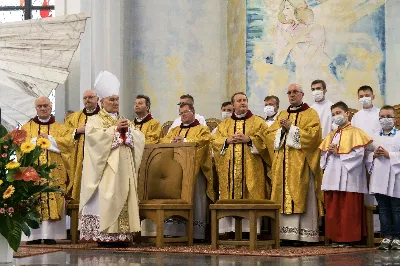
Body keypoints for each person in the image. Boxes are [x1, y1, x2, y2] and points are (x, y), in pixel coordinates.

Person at [79, 71, 145, 247]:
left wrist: (129, 132)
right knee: (107, 197)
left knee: (123, 196)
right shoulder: (94, 120)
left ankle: (122, 235)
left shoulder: (124, 120)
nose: (116, 103)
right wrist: (114, 130)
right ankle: (105, 235)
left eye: (117, 100)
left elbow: (139, 138)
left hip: (124, 170)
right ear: (102, 102)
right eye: (111, 100)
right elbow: (93, 140)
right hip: (105, 171)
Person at [267, 83, 323, 245]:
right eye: (289, 93)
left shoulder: (311, 113)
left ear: (302, 94)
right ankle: (285, 235)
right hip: (282, 163)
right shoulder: (282, 114)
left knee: (302, 194)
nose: (292, 95)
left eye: (295, 92)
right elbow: (270, 135)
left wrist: (292, 128)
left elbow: (314, 137)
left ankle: (304, 236)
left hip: (302, 162)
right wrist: (282, 130)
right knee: (283, 197)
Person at [212, 92, 268, 233]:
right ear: (233, 105)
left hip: (251, 168)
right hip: (229, 170)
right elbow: (214, 141)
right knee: (229, 196)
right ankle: (230, 230)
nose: (243, 103)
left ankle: (249, 231)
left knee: (250, 194)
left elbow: (267, 141)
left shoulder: (258, 122)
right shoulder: (224, 125)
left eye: (244, 100)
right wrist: (227, 140)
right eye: (239, 101)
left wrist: (249, 140)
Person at [21, 96, 73, 245]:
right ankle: (34, 236)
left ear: (51, 107)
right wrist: (35, 140)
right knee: (33, 199)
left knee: (52, 196)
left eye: (45, 106)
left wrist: (49, 138)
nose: (43, 108)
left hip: (54, 173)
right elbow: (20, 146)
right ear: (36, 108)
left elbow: (69, 145)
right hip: (33, 173)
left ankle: (50, 234)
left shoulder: (61, 128)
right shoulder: (26, 128)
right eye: (40, 106)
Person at [319, 101, 371, 247]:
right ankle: (335, 237)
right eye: (334, 114)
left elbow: (359, 154)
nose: (336, 116)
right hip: (333, 176)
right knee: (334, 208)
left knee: (349, 209)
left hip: (350, 177)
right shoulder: (331, 135)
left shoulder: (356, 132)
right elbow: (322, 158)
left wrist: (339, 153)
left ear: (347, 113)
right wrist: (328, 153)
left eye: (339, 113)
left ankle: (349, 238)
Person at [160, 102, 214, 240]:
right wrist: (173, 142)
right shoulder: (174, 130)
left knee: (196, 198)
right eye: (181, 113)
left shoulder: (202, 129)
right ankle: (174, 231)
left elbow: (205, 141)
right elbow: (163, 142)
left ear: (193, 112)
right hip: (175, 172)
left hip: (195, 171)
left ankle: (196, 233)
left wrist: (184, 140)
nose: (183, 115)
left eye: (186, 112)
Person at [366, 105, 400, 250]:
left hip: (395, 178)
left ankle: (398, 237)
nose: (385, 119)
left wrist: (389, 155)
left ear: (395, 119)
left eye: (388, 116)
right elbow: (366, 155)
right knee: (383, 208)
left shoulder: (399, 135)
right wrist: (372, 155)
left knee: (396, 208)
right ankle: (387, 236)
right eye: (382, 117)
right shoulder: (373, 137)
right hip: (379, 177)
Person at [64, 90, 100, 202]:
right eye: (85, 98)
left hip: (98, 159)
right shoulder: (74, 117)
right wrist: (77, 130)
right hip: (78, 159)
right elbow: (64, 135)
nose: (87, 100)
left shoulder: (105, 117)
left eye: (90, 97)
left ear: (97, 99)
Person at [351, 85, 381, 207]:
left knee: (378, 188)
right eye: (361, 96)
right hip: (361, 155)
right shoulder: (356, 116)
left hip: (378, 154)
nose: (364, 98)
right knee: (364, 189)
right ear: (358, 98)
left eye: (367, 95)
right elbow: (352, 135)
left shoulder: (380, 113)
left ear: (373, 96)